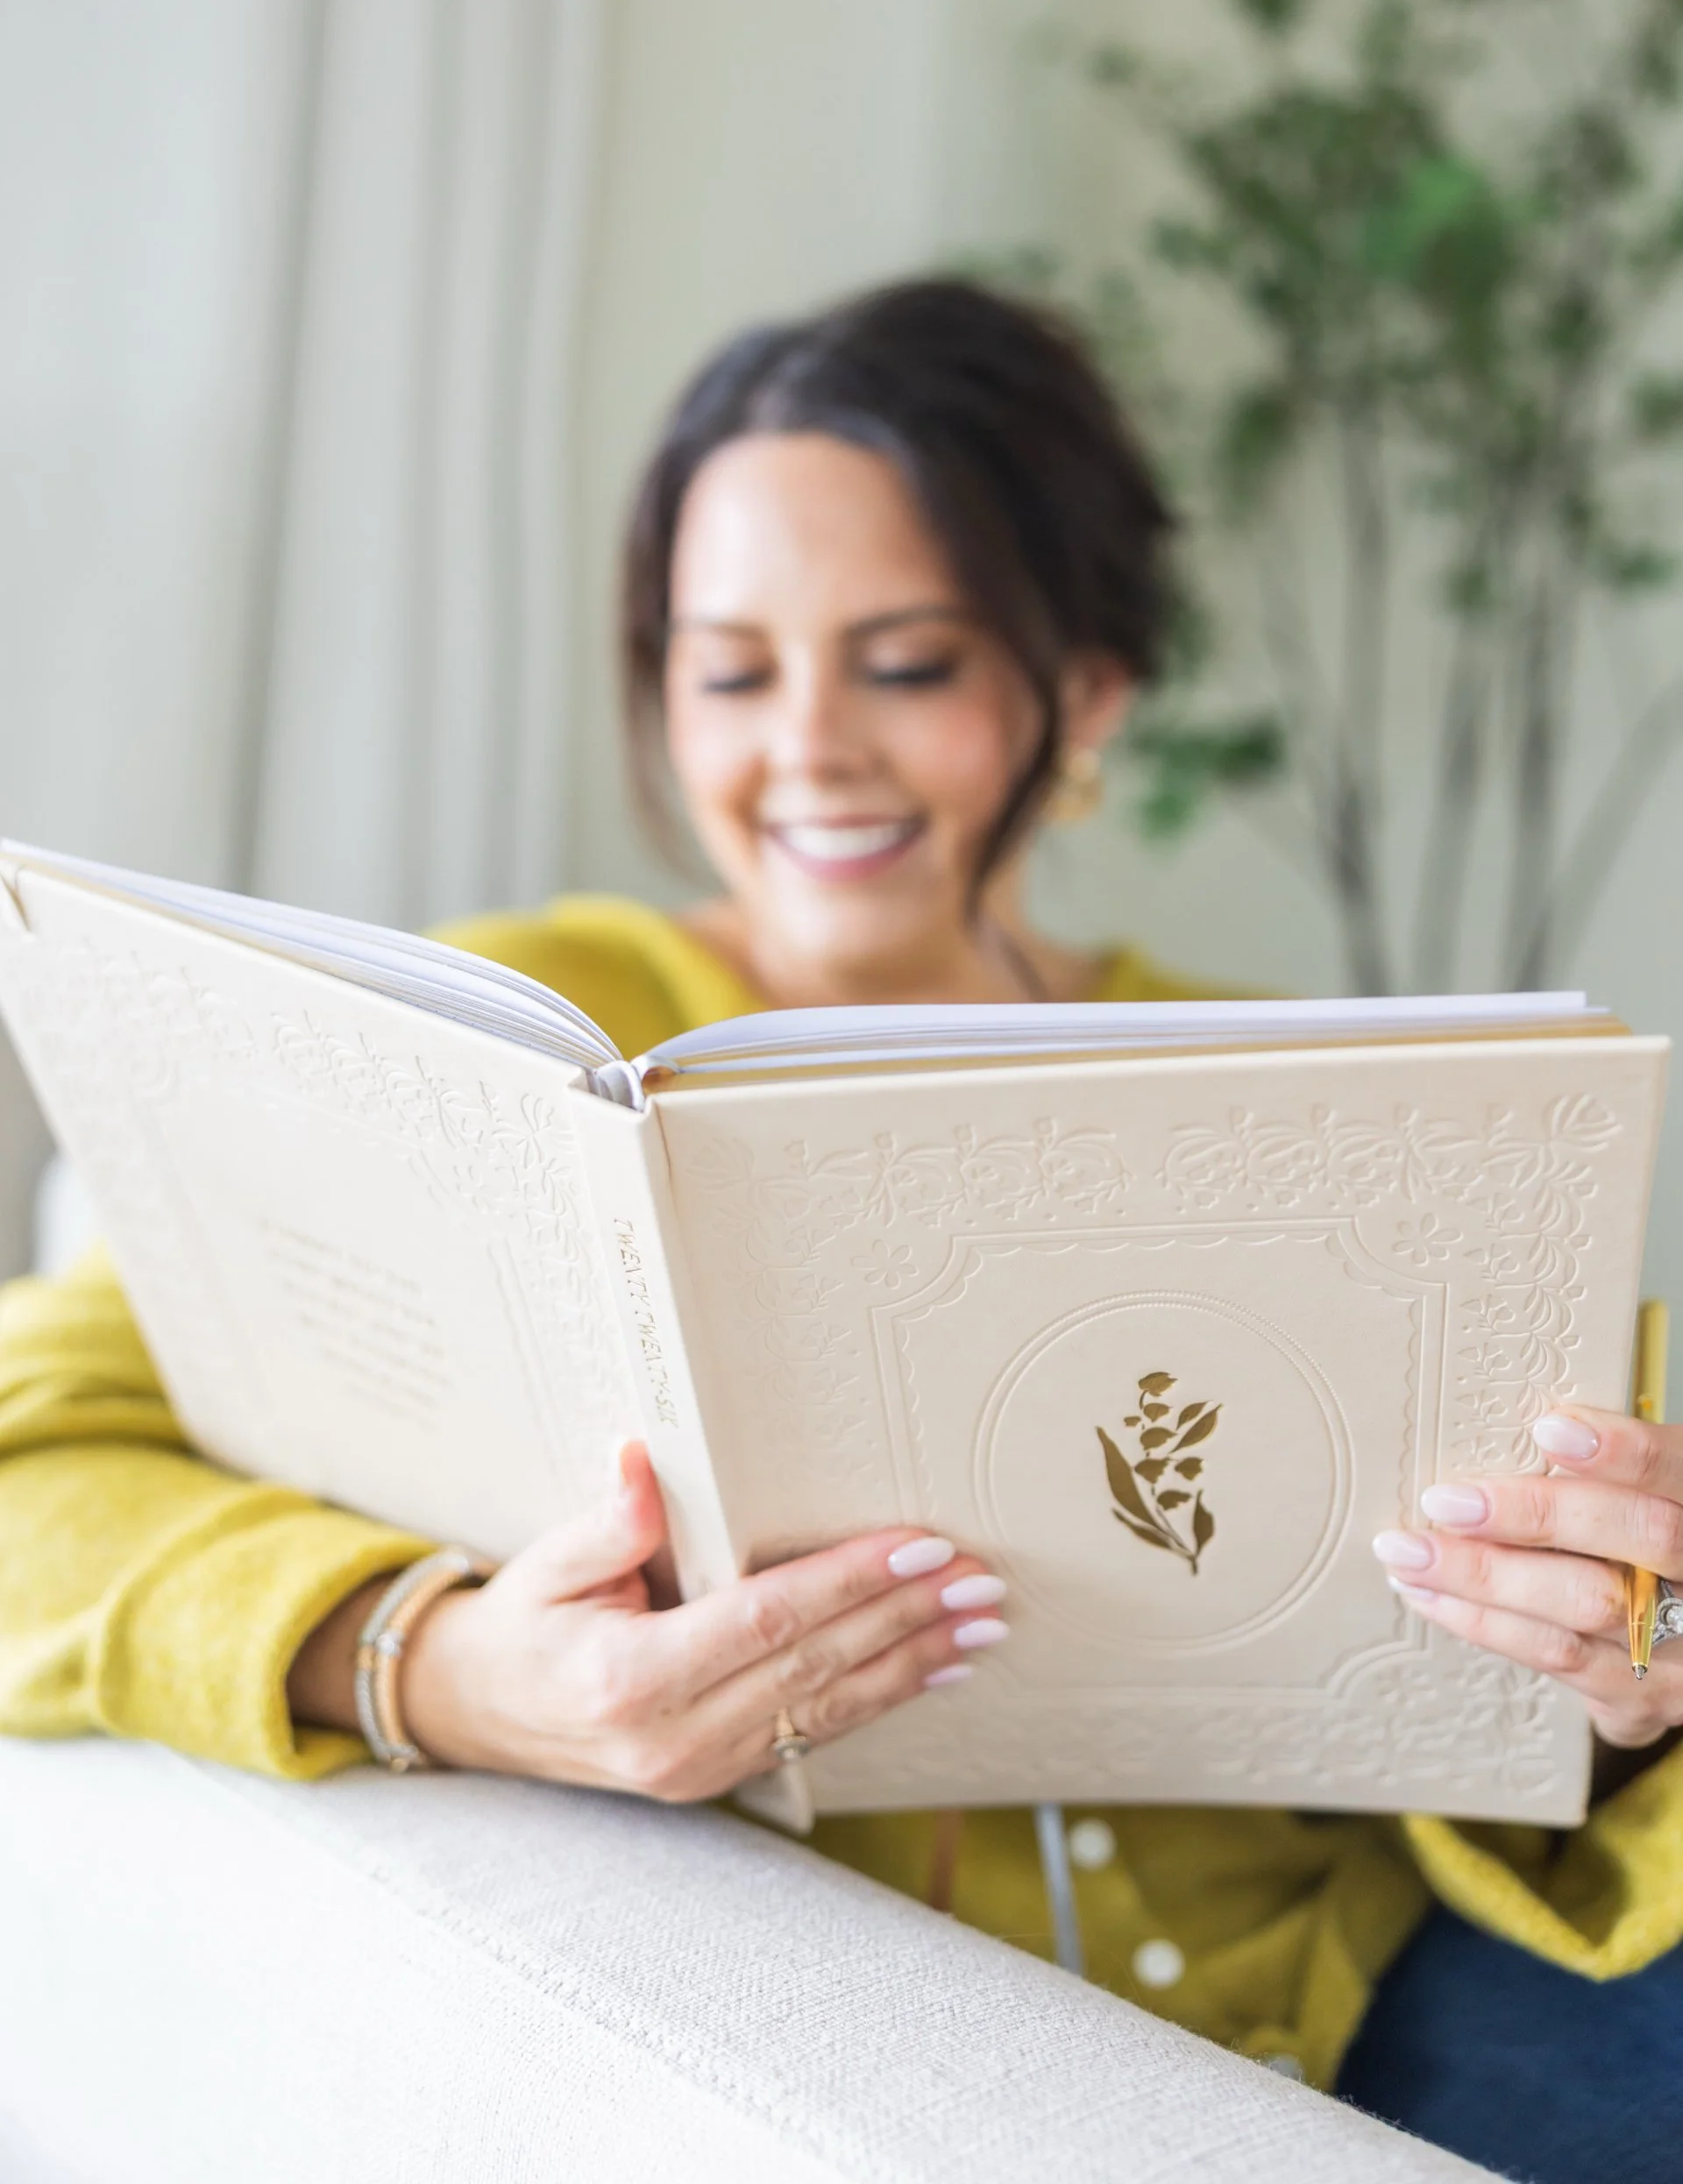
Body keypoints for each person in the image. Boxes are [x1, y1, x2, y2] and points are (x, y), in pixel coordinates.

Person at [4, 279, 1682, 2183]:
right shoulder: (491, 1034)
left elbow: (1561, 1716)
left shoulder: (1318, 1095)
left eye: (905, 664)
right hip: (871, 2033)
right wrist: (441, 1667)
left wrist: (1630, 1668)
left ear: (1091, 690)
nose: (808, 747)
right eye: (729, 672)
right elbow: (25, 1465)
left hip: (1358, 1982)